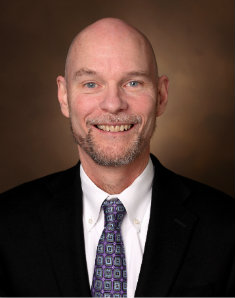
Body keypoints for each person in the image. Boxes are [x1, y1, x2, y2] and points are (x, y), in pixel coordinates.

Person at [0, 18, 234, 297]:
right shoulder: (6, 225)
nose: (113, 104)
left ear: (161, 95)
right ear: (64, 96)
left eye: (133, 82)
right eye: (90, 84)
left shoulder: (227, 228)